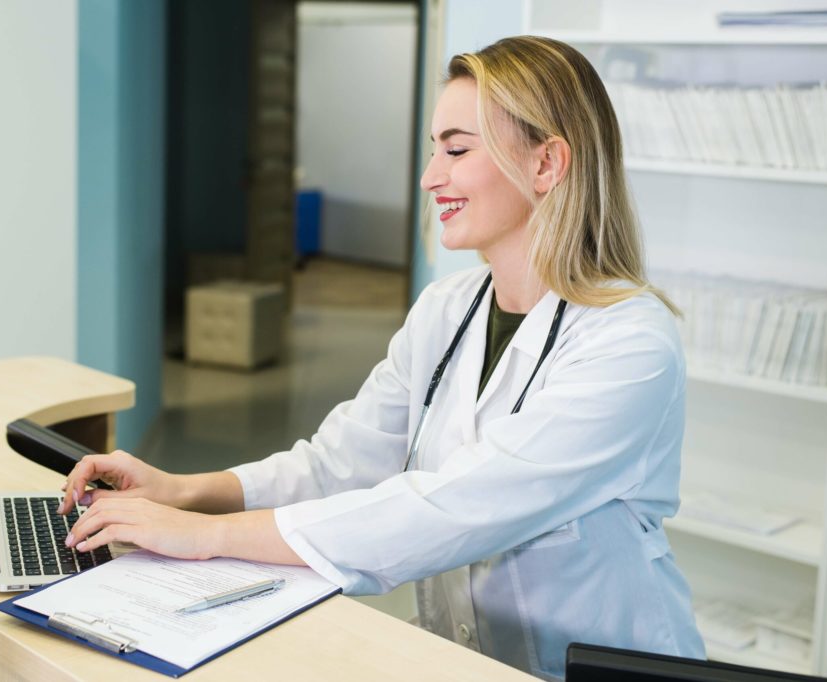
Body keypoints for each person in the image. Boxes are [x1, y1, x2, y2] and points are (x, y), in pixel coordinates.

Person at [61, 36, 705, 680]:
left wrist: (204, 537)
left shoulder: (630, 343)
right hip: (466, 657)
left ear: (546, 164)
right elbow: (343, 464)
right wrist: (187, 491)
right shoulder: (447, 309)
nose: (430, 177)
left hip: (601, 670)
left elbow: (456, 506)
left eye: (456, 149)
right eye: (434, 151)